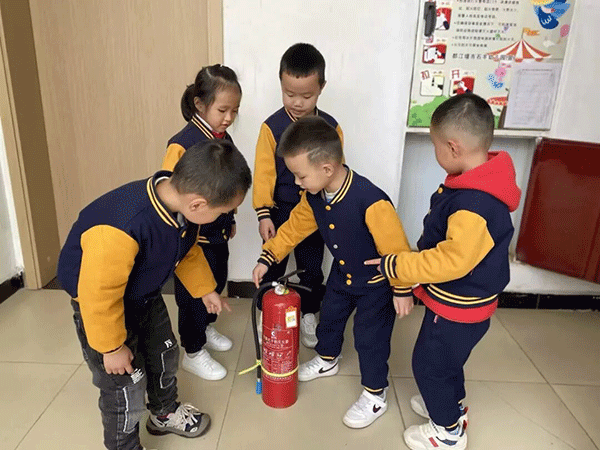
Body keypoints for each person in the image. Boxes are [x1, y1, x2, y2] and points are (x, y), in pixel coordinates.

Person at [57, 141, 251, 450]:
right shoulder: (122, 226)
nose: (224, 218)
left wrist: (205, 289)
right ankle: (124, 445)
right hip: (102, 310)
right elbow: (98, 295)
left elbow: (187, 252)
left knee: (164, 353)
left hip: (144, 296)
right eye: (224, 213)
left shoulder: (181, 211)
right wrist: (111, 347)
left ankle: (164, 412)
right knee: (125, 384)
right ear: (198, 204)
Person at [366, 93, 521, 450]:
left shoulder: (474, 203)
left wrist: (398, 265)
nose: (436, 154)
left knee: (429, 365)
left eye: (436, 146)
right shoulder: (482, 180)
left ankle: (448, 431)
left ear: (453, 147)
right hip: (465, 303)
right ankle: (452, 406)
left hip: (459, 306)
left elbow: (452, 260)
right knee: (448, 360)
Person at [252, 116, 413, 429]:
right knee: (329, 320)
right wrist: (267, 257)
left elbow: (397, 249)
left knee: (370, 339)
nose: (297, 183)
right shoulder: (314, 197)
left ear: (326, 168)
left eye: (300, 176)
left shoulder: (372, 200)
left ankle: (375, 393)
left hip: (376, 285)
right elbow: (293, 229)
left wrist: (403, 289)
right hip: (342, 276)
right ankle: (328, 359)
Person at [252, 43, 344, 348]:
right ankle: (267, 312)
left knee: (311, 267)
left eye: (306, 96)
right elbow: (263, 173)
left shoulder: (331, 128)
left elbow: (336, 170)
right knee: (273, 264)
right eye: (289, 94)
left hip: (315, 211)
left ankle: (307, 314)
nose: (297, 103)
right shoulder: (271, 128)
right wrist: (264, 213)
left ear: (321, 88)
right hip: (279, 208)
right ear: (280, 84)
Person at [162, 65, 242, 381]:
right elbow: (171, 194)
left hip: (217, 232)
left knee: (216, 281)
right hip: (193, 239)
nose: (229, 118)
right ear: (199, 104)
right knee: (194, 295)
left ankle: (206, 330)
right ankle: (193, 351)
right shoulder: (182, 144)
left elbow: (228, 183)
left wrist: (230, 217)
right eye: (222, 110)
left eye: (234, 111)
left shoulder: (224, 138)